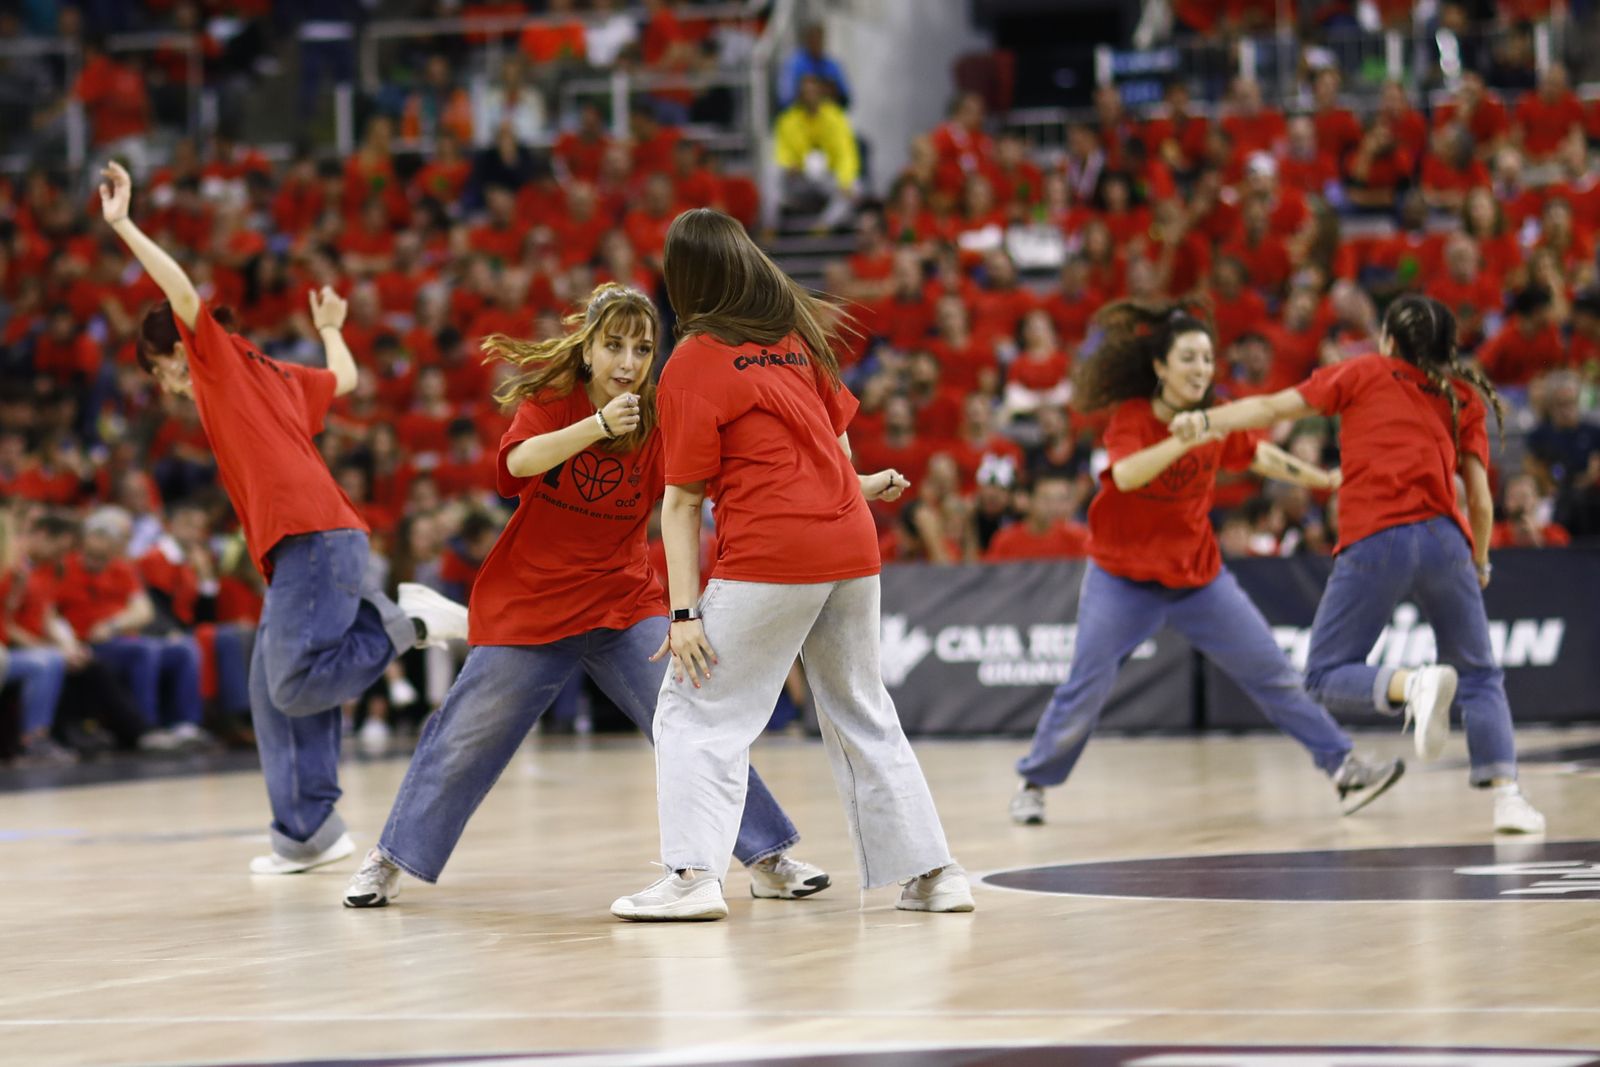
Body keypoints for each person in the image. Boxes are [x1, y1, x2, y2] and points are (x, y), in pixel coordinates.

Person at [342, 284, 829, 909]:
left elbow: (719, 482)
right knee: (465, 735)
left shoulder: (661, 416)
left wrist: (846, 480)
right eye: (615, 346)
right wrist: (595, 426)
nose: (629, 362)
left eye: (643, 348)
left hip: (620, 601)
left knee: (690, 718)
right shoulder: (552, 401)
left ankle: (767, 857)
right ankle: (390, 858)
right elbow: (517, 465)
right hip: (531, 605)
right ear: (589, 350)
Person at [98, 162, 470, 874]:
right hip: (315, 539)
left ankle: (409, 622)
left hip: (313, 536)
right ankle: (308, 833)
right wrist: (331, 329)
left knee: (294, 682)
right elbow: (349, 381)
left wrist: (123, 226)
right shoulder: (267, 370)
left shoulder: (214, 360)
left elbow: (179, 290)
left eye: (161, 371)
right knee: (273, 690)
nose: (167, 387)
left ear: (177, 350)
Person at [611, 209, 973, 921]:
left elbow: (682, 504)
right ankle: (934, 873)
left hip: (774, 554)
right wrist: (861, 486)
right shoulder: (792, 339)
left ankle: (690, 878)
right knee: (863, 710)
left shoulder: (693, 358)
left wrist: (683, 614)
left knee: (693, 710)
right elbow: (831, 451)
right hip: (850, 543)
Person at [1010, 302, 1403, 827]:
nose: (1200, 368)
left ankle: (1345, 767)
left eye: (1207, 359)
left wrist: (1319, 479)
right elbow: (1125, 475)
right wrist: (1183, 438)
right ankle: (1035, 782)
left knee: (1274, 675)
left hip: (1198, 578)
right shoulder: (1133, 417)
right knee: (1087, 685)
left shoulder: (1217, 413)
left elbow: (1258, 456)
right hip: (1121, 578)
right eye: (1188, 358)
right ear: (1160, 368)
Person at [1171, 295, 1546, 835]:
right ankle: (1508, 797)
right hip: (1446, 541)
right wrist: (1480, 560)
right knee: (1480, 673)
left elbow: (1272, 408)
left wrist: (1207, 419)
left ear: (1389, 341)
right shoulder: (1462, 395)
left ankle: (1410, 684)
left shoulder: (1363, 372)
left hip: (1377, 537)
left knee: (1322, 674)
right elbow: (1481, 501)